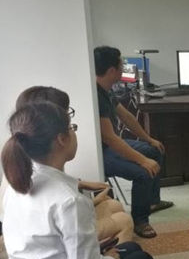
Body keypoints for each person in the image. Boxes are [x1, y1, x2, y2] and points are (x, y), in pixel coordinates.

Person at [1, 102, 171, 259]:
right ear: (61, 139)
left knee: (131, 249)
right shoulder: (68, 200)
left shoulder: (17, 182)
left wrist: (104, 255)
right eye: (72, 127)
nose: (74, 132)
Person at [10, 85, 134, 244]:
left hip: (47, 236)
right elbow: (66, 217)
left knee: (114, 205)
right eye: (69, 125)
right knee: (123, 220)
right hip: (58, 241)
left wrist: (80, 185)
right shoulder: (66, 198)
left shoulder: (21, 160)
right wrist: (109, 256)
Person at [94, 46, 173, 239]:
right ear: (112, 70)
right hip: (101, 153)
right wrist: (142, 160)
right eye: (122, 64)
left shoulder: (107, 90)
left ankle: (152, 202)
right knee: (142, 173)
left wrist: (149, 139)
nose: (124, 68)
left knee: (155, 150)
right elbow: (110, 138)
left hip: (111, 146)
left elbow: (127, 117)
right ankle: (140, 221)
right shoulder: (96, 95)